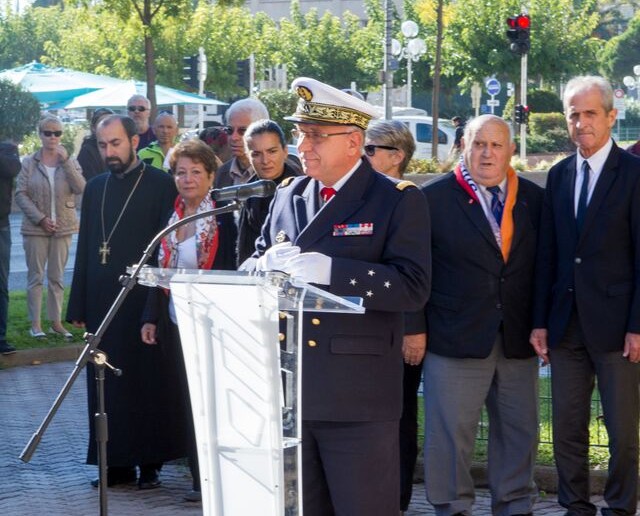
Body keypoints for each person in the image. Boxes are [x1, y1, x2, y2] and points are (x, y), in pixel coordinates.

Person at [242, 77, 431, 515]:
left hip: (356, 398)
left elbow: (413, 285)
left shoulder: (395, 200)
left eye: (315, 136)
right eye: (301, 134)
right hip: (291, 390)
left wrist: (335, 271)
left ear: (353, 142)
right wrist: (262, 267)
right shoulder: (289, 195)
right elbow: (252, 263)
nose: (302, 146)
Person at [419, 114, 542, 515]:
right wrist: (412, 330)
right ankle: (451, 507)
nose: (487, 153)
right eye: (478, 144)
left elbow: (545, 267)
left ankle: (515, 505)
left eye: (496, 145)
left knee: (519, 432)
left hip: (516, 336)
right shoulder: (431, 199)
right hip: (454, 337)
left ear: (511, 150)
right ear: (463, 146)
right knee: (450, 436)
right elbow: (415, 271)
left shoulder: (534, 200)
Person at [530, 76, 640, 516]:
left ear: (612, 116)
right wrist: (540, 320)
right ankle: (575, 507)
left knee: (622, 432)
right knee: (566, 429)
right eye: (573, 114)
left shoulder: (634, 175)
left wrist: (638, 324)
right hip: (565, 326)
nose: (581, 122)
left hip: (619, 329)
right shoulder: (558, 176)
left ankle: (619, 508)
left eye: (590, 113)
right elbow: (548, 256)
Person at [66, 114, 178, 489]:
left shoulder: (161, 185)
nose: (109, 152)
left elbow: (166, 250)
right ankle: (113, 465)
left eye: (115, 143)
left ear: (133, 141)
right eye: (103, 145)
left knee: (145, 383)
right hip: (101, 303)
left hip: (141, 300)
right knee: (104, 383)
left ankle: (149, 464)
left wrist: (156, 303)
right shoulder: (95, 188)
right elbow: (85, 248)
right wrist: (77, 303)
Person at [140, 139, 236, 502]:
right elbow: (159, 272)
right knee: (186, 402)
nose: (188, 178)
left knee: (213, 404)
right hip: (175, 322)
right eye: (181, 172)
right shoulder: (171, 217)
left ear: (212, 175)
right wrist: (151, 316)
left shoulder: (224, 216)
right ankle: (199, 479)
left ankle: (217, 480)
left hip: (216, 325)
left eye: (196, 172)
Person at [365, 119, 423, 514]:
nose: (363, 154)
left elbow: (418, 271)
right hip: (368, 328)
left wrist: (414, 329)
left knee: (399, 414)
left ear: (396, 156)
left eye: (371, 149)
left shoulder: (408, 198)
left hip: (402, 329)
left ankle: (398, 497)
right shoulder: (369, 195)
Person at [15, 115, 86, 340]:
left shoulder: (70, 161)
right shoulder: (29, 162)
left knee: (57, 277)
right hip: (36, 229)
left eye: (57, 133)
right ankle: (35, 325)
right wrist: (40, 218)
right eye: (48, 132)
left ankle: (56, 322)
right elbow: (21, 194)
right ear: (40, 135)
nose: (53, 137)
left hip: (63, 227)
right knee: (36, 277)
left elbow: (80, 187)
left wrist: (66, 162)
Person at [236, 119, 301, 265]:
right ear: (248, 156)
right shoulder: (248, 191)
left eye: (272, 151)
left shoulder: (301, 191)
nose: (265, 160)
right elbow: (244, 247)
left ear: (285, 151)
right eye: (257, 154)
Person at [0, 138, 21, 354]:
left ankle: (0, 338)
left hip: (1, 227)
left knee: (0, 285)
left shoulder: (7, 150)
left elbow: (12, 168)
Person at [77, 107, 114, 181]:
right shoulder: (87, 151)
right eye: (103, 123)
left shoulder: (117, 147)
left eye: (110, 123)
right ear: (93, 128)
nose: (107, 127)